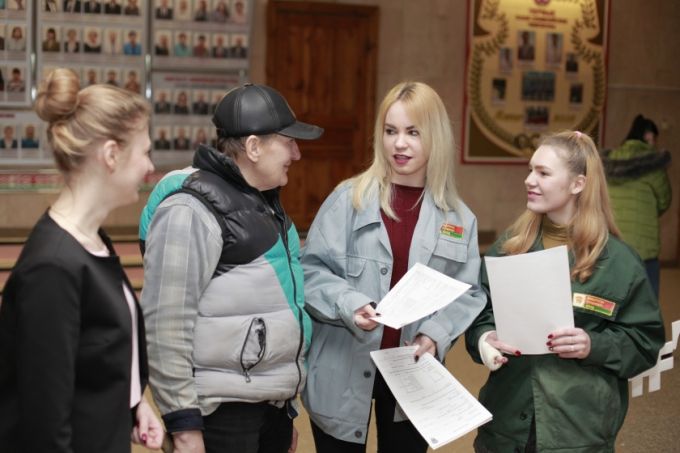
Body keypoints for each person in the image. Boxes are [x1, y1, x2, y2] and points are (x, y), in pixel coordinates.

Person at [301, 81, 486, 452]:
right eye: (390, 131)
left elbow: (468, 292)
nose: (399, 144)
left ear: (435, 137)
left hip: (413, 374)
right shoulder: (347, 200)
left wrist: (435, 333)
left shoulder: (458, 218)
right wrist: (349, 303)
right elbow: (310, 272)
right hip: (343, 368)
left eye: (413, 132)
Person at [138, 83, 323, 453]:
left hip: (267, 408)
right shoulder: (190, 209)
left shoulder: (266, 206)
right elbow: (165, 325)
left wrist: (284, 412)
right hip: (218, 415)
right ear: (253, 147)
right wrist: (183, 424)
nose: (297, 153)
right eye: (288, 142)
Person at [465, 130, 665, 453]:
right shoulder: (509, 248)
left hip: (577, 429)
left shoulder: (619, 263)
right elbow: (480, 312)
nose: (529, 180)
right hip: (507, 421)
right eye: (530, 170)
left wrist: (593, 345)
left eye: (543, 173)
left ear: (577, 184)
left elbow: (645, 343)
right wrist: (484, 338)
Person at [0, 67, 164, 452]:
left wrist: (133, 405)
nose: (150, 167)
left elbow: (91, 365)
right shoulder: (52, 269)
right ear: (111, 155)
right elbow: (45, 428)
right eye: (144, 152)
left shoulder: (93, 241)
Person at [601, 115, 671, 297]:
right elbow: (664, 200)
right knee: (647, 298)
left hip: (613, 241)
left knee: (613, 297)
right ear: (648, 136)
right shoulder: (653, 163)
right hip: (644, 247)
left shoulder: (610, 160)